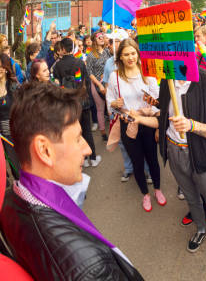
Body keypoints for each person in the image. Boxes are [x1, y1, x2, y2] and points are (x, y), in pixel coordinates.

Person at [0, 82, 145, 280]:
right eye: (77, 139)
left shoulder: (10, 201)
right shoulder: (90, 267)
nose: (88, 149)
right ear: (44, 150)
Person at [152, 67, 206, 258]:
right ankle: (201, 229)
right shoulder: (166, 79)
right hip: (173, 149)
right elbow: (164, 112)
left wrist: (191, 125)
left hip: (201, 154)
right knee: (190, 196)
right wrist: (152, 110)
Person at [106, 39, 164, 212]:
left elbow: (158, 102)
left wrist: (151, 102)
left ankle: (158, 190)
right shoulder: (114, 76)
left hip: (146, 123)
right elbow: (109, 101)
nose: (130, 57)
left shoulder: (148, 73)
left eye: (133, 53)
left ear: (137, 54)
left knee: (153, 159)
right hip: (128, 124)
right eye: (126, 54)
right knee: (137, 162)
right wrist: (114, 103)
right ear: (120, 57)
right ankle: (145, 194)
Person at [53, 38, 101, 168]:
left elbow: (57, 84)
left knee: (75, 132)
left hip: (68, 103)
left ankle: (82, 159)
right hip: (82, 101)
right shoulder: (79, 62)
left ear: (62, 49)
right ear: (72, 47)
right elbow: (87, 81)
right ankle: (93, 157)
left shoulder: (57, 65)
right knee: (87, 130)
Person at [0, 53, 20, 178]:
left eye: (1, 66)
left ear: (6, 68)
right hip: (4, 136)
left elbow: (20, 109)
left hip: (17, 133)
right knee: (14, 168)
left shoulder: (13, 86)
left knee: (23, 165)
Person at [86, 31, 111, 141]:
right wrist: (99, 85)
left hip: (109, 84)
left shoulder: (108, 52)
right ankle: (103, 133)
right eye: (99, 37)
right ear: (94, 40)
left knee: (111, 109)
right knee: (100, 109)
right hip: (97, 85)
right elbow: (89, 72)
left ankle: (113, 132)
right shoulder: (91, 55)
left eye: (102, 37)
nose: (101, 38)